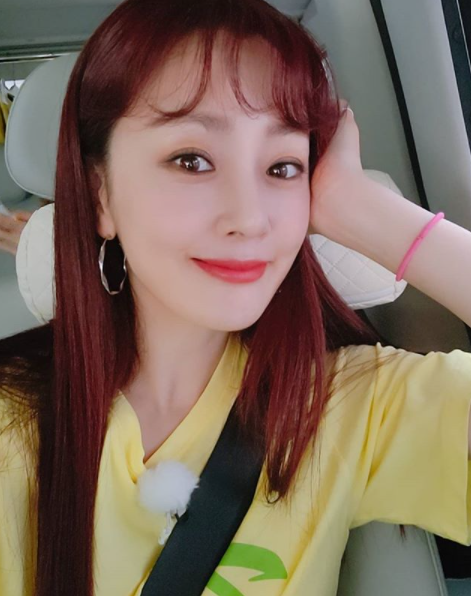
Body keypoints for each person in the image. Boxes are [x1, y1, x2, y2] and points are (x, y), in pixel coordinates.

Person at [0, 1, 470, 595]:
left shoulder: (346, 405)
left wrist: (361, 208)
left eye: (283, 167)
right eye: (191, 160)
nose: (249, 219)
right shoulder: (13, 423)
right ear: (101, 196)